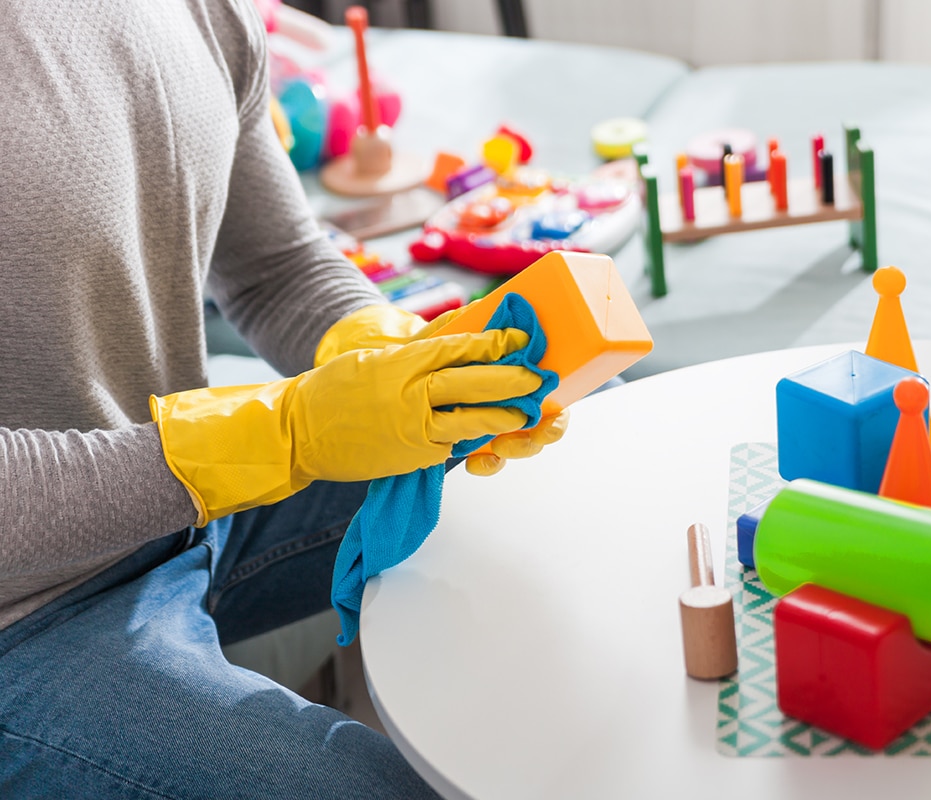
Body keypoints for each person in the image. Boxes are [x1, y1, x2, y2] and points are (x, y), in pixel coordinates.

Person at [0, 0, 566, 796]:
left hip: (176, 505)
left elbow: (278, 267)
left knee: (579, 433)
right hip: (22, 616)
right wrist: (290, 432)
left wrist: (389, 352)